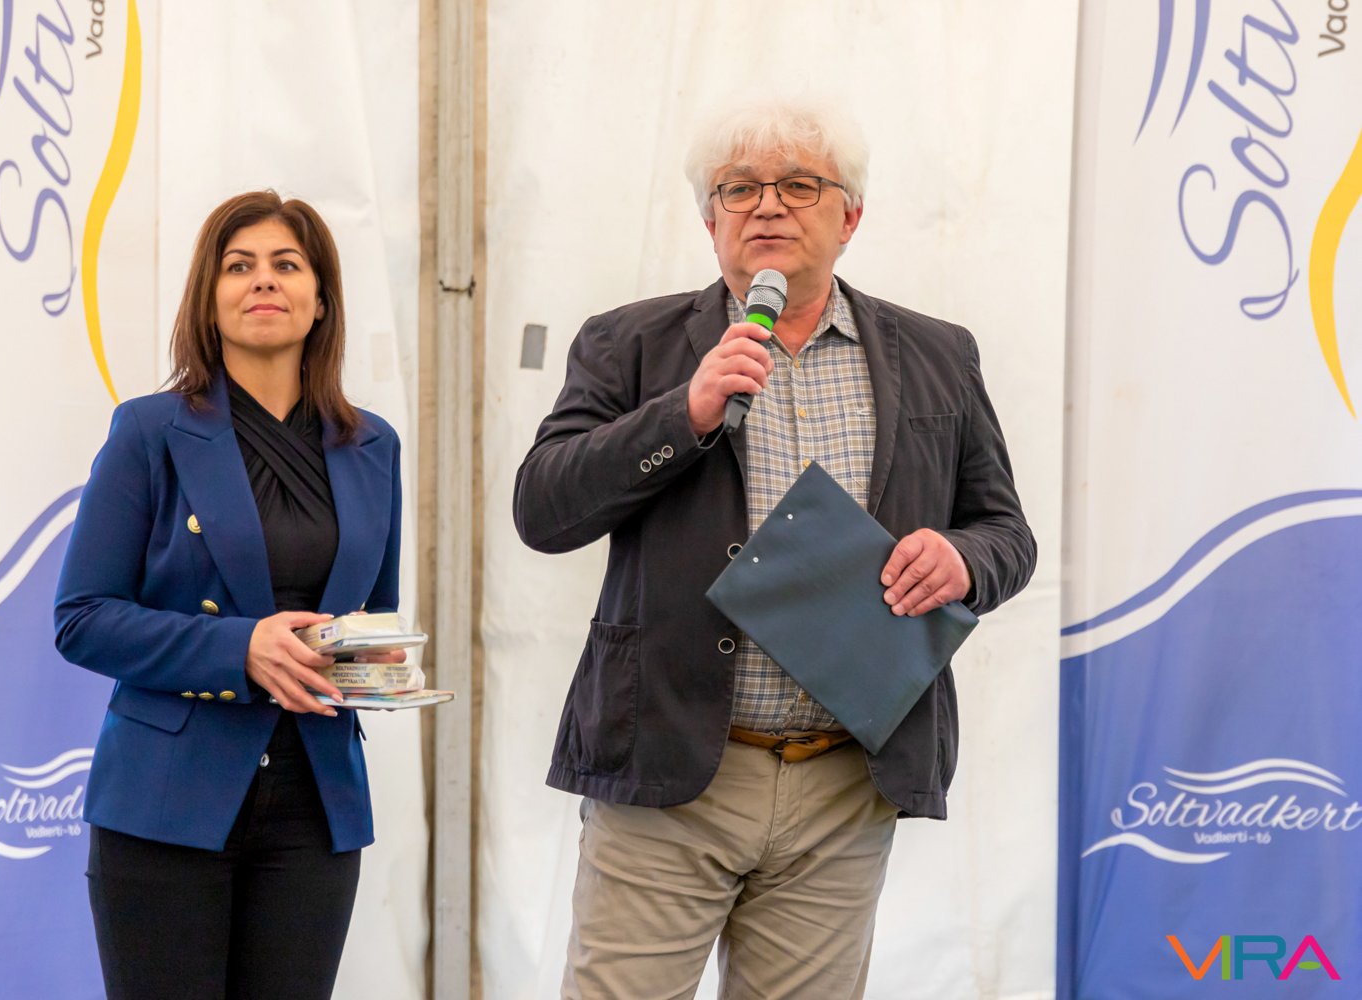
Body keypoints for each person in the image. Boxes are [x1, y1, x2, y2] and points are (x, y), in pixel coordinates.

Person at [514, 94, 1036, 999]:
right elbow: (543, 510)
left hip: (843, 784)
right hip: (670, 769)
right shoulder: (629, 343)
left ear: (851, 216)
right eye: (739, 188)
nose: (767, 206)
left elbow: (1005, 534)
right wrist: (683, 414)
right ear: (709, 219)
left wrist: (963, 562)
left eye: (799, 185)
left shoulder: (938, 355)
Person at [55, 190, 404, 999]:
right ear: (209, 298)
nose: (264, 281)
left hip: (317, 803)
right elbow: (82, 618)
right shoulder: (148, 431)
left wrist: (378, 666)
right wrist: (237, 648)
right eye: (239, 265)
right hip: (167, 799)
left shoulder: (373, 445)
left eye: (287, 265)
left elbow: (372, 615)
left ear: (321, 300)